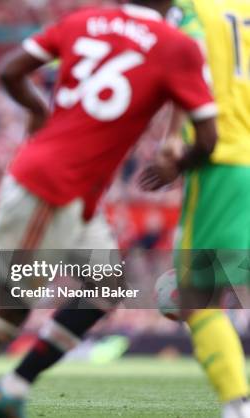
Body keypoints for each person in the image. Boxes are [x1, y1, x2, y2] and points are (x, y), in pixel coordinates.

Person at [0, 1, 218, 417]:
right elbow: (208, 137)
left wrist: (40, 110)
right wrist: (178, 162)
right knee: (10, 313)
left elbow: (10, 70)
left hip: (70, 191)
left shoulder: (82, 21)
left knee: (107, 287)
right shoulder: (176, 45)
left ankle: (13, 384)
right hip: (50, 188)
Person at [142, 1, 250, 416]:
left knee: (195, 297)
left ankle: (236, 405)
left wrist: (174, 142)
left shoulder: (194, 9)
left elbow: (187, 63)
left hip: (225, 159)